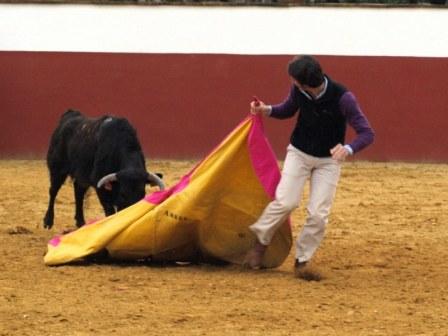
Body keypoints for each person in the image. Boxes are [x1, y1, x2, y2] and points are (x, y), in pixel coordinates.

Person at [244, 55, 374, 278]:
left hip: (328, 162)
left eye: (295, 80)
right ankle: (261, 242)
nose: (293, 83)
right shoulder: (299, 91)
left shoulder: (343, 98)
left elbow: (367, 133)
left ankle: (302, 259)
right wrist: (267, 109)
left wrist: (348, 149)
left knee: (318, 214)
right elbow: (287, 109)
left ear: (303, 82)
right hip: (299, 153)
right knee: (286, 201)